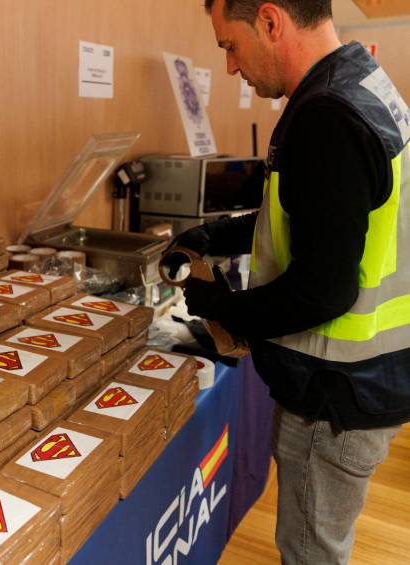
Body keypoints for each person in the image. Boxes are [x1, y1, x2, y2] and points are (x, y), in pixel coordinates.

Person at [174, 0, 410, 563]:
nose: (230, 67)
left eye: (230, 46)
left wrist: (222, 306)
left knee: (310, 552)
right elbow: (314, 217)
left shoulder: (327, 116)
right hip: (370, 377)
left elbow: (322, 289)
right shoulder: (361, 84)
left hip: (338, 393)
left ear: (271, 21)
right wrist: (218, 236)